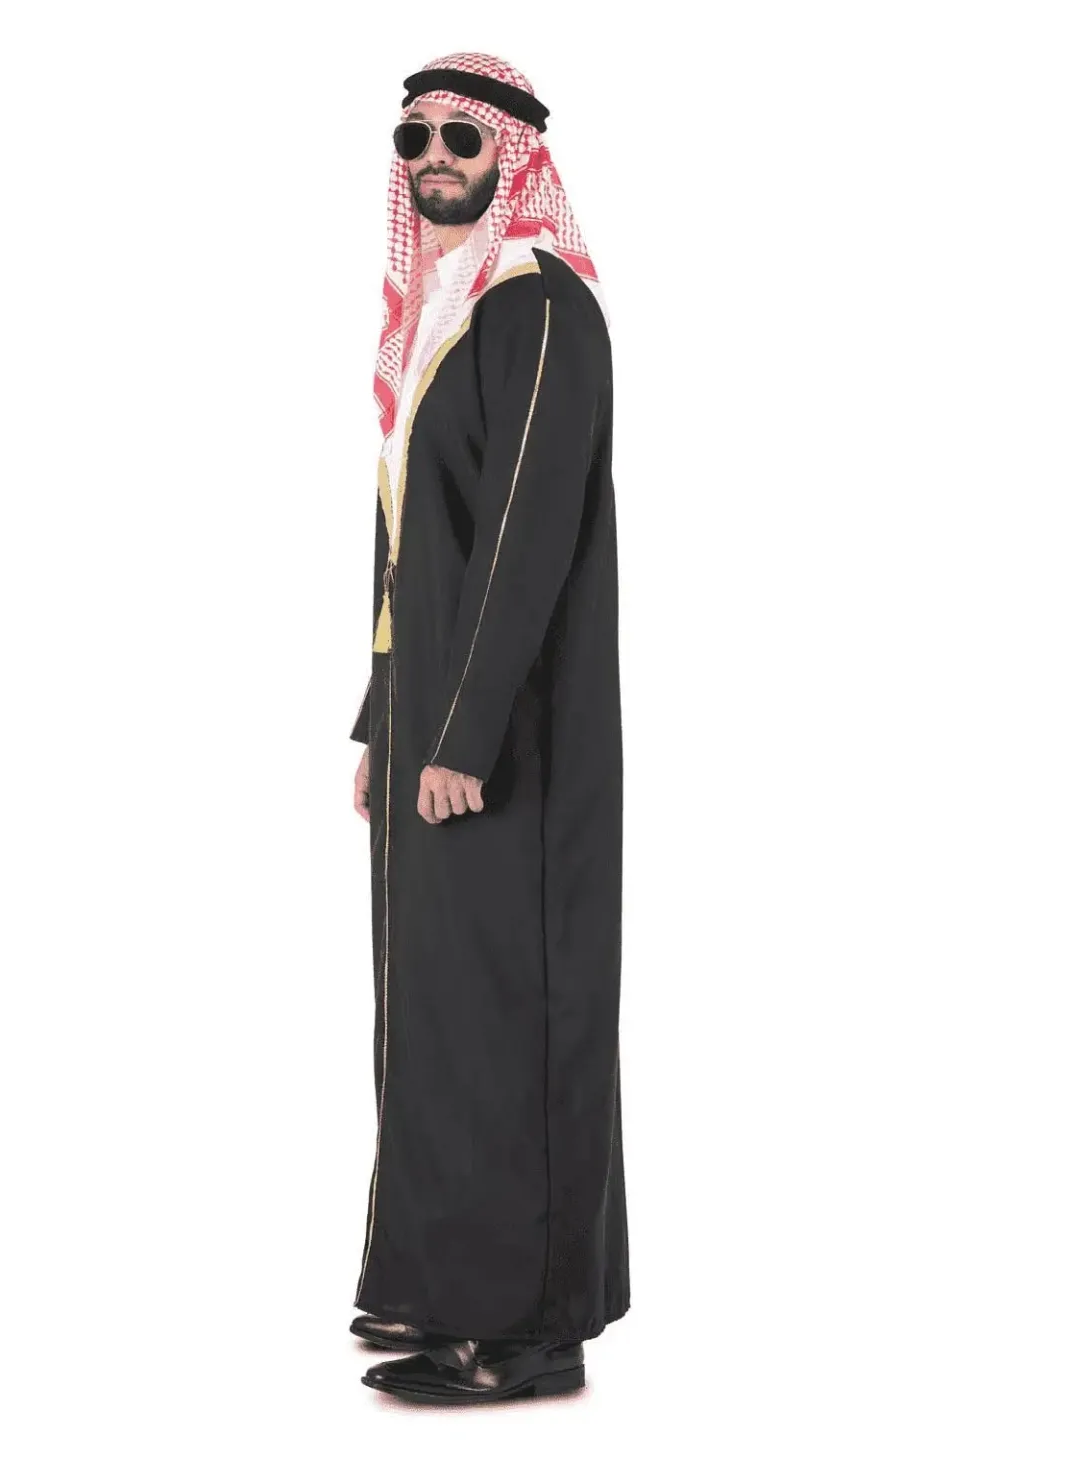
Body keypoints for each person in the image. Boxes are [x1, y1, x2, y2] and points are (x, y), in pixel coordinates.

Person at [346, 52, 628, 1405]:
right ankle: (439, 1279)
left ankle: (527, 1327)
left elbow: (526, 541)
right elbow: (414, 549)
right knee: (434, 1012)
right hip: (433, 721)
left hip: (510, 733)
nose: (434, 159)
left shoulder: (542, 308)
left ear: (513, 153)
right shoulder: (440, 316)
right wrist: (381, 720)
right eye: (414, 138)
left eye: (461, 136)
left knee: (511, 1009)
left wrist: (459, 734)